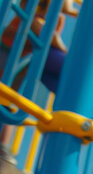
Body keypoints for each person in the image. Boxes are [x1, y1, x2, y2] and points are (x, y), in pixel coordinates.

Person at [0, 0, 78, 164]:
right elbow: (42, 31)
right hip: (10, 48)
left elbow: (51, 36)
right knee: (6, 97)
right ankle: (3, 147)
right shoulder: (35, 4)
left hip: (27, 57)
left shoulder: (58, 17)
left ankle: (3, 147)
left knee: (10, 101)